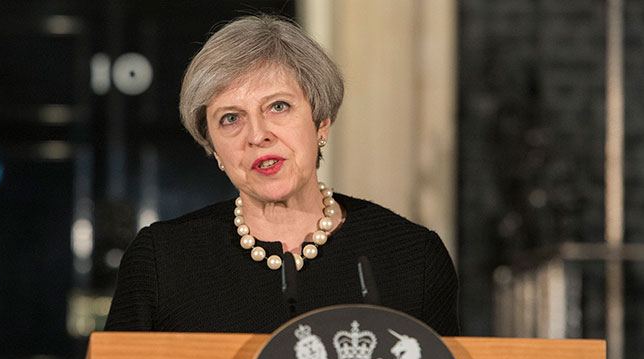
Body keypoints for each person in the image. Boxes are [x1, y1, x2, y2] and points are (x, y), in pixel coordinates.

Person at [104, 15, 459, 336]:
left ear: (321, 124)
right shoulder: (160, 262)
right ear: (214, 149)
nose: (257, 135)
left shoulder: (414, 257)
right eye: (231, 118)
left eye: (278, 106)